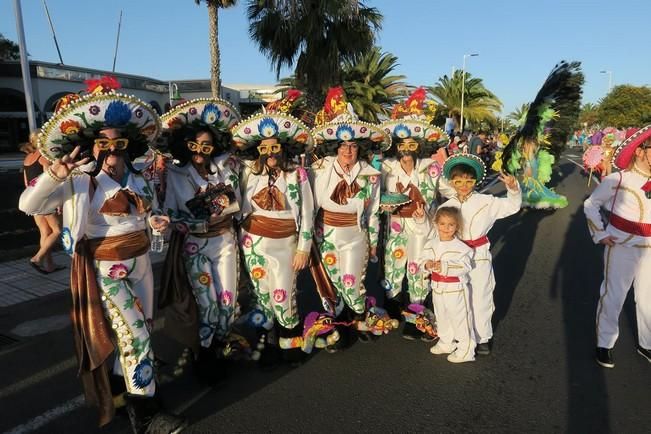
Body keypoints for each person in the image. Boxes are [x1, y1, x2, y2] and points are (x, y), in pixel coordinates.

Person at [18, 78, 186, 433]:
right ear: (90, 145)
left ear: (129, 144)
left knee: (138, 331)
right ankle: (146, 413)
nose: (112, 149)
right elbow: (27, 204)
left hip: (141, 263)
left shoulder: (137, 178)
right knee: (137, 334)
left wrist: (155, 221)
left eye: (119, 142)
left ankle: (121, 391)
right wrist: (53, 175)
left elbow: (147, 214)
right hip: (106, 268)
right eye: (103, 142)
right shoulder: (80, 180)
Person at [158, 98, 242, 384]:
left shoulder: (225, 169)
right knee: (208, 305)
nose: (200, 151)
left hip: (226, 242)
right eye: (194, 144)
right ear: (185, 144)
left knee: (228, 302)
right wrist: (196, 222)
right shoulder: (175, 174)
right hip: (195, 246)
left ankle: (220, 346)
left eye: (206, 145)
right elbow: (169, 215)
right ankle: (204, 356)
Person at [232, 91, 315, 366]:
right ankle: (266, 343)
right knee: (261, 294)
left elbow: (307, 211)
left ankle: (289, 342)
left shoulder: (297, 173)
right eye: (264, 148)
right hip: (253, 241)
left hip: (286, 242)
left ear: (283, 147)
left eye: (274, 147)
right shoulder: (248, 172)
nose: (270, 153)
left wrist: (304, 247)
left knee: (284, 293)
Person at [310, 86, 394, 348]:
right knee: (334, 284)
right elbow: (309, 204)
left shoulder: (370, 175)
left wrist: (371, 243)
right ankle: (342, 326)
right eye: (343, 146)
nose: (347, 151)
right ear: (336, 147)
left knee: (353, 283)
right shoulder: (320, 169)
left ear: (361, 148)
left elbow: (372, 213)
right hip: (327, 234)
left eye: (353, 146)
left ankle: (358, 319)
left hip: (356, 235)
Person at [379, 87, 449, 340]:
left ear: (418, 146)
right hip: (396, 224)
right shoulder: (387, 168)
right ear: (396, 148)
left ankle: (416, 314)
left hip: (423, 227)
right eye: (402, 146)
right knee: (394, 266)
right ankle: (393, 308)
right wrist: (381, 205)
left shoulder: (431, 168)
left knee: (418, 269)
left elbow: (448, 191)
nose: (406, 152)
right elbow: (374, 194)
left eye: (411, 146)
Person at [584, 125, 651, 368]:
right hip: (621, 244)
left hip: (649, 248)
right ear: (640, 151)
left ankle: (647, 343)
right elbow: (591, 205)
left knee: (648, 298)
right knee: (614, 294)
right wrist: (600, 233)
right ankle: (605, 343)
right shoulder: (617, 179)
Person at [440, 154, 521, 355]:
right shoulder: (445, 206)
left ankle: (482, 336)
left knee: (480, 296)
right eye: (458, 181)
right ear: (452, 182)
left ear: (476, 181)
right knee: (456, 296)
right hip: (455, 256)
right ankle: (458, 335)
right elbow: (436, 233)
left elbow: (512, 206)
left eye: (469, 180)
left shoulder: (487, 201)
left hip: (479, 255)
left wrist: (512, 188)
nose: (464, 185)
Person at [419, 206, 475, 363]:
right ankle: (446, 342)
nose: (446, 228)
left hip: (455, 288)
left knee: (460, 318)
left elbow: (465, 266)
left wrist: (443, 266)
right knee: (442, 316)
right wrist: (427, 264)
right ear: (436, 224)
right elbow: (422, 260)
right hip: (437, 287)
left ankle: (466, 349)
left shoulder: (462, 248)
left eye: (451, 224)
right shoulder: (431, 243)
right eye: (442, 224)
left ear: (457, 226)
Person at [20, 131, 64, 274]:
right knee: (57, 231)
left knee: (45, 232)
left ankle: (49, 265)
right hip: (46, 198)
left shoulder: (27, 158)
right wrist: (58, 202)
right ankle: (37, 258)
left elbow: (27, 182)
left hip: (33, 198)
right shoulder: (44, 157)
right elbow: (50, 181)